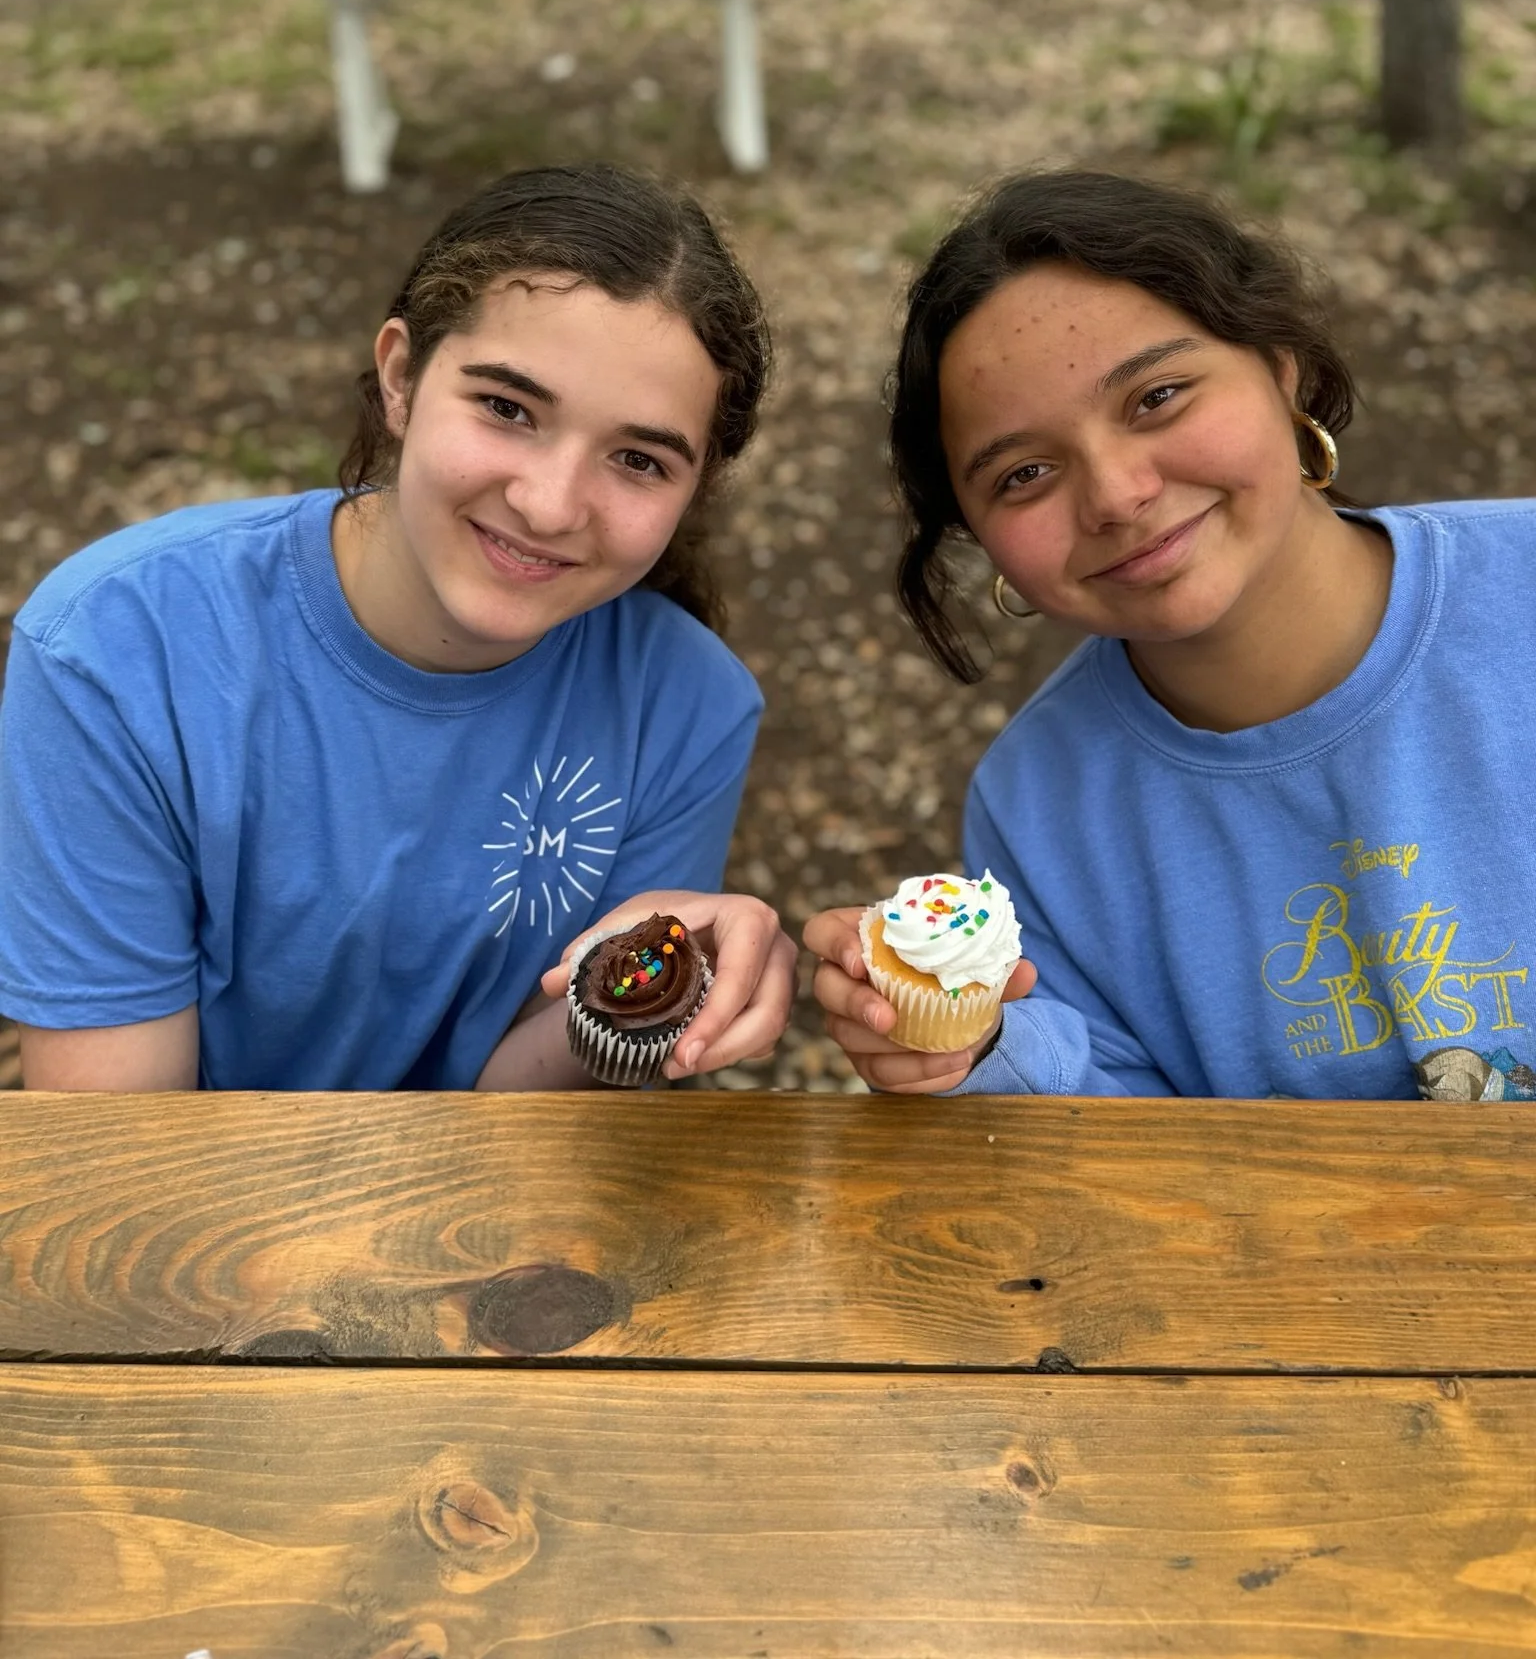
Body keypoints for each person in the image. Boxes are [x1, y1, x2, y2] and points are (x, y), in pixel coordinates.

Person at [0, 163, 795, 1090]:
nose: (548, 505)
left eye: (638, 459)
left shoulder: (689, 704)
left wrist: (633, 1000)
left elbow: (534, 1121)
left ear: (695, 488)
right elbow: (118, 1146)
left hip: (484, 1217)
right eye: (507, 408)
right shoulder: (119, 650)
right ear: (400, 377)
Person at [808, 168, 1536, 1103]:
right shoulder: (1038, 807)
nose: (1117, 496)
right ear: (977, 535)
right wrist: (975, 1050)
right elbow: (1118, 1157)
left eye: (1156, 398)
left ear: (1280, 366)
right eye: (1025, 473)